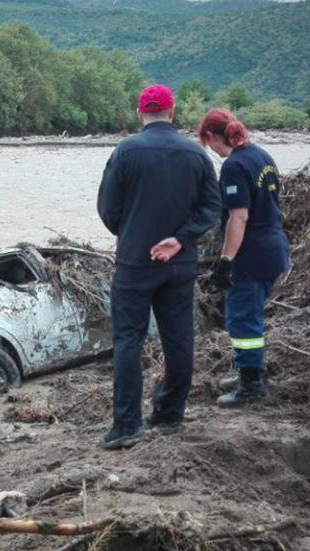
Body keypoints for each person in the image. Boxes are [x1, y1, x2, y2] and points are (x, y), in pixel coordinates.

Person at [96, 84, 222, 449]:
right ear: (172, 112)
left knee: (128, 341)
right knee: (179, 337)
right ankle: (169, 411)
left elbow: (107, 209)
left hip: (135, 262)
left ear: (141, 114)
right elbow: (211, 209)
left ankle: (127, 425)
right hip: (180, 263)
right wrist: (180, 238)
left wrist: (133, 233)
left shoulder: (125, 152)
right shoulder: (196, 155)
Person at [197, 109, 290, 407]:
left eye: (207, 142)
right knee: (251, 315)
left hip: (252, 252)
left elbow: (239, 217)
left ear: (211, 137)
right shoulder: (262, 156)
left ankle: (250, 385)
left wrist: (225, 261)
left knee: (241, 318)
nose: (209, 148)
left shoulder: (234, 166)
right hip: (274, 245)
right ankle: (250, 371)